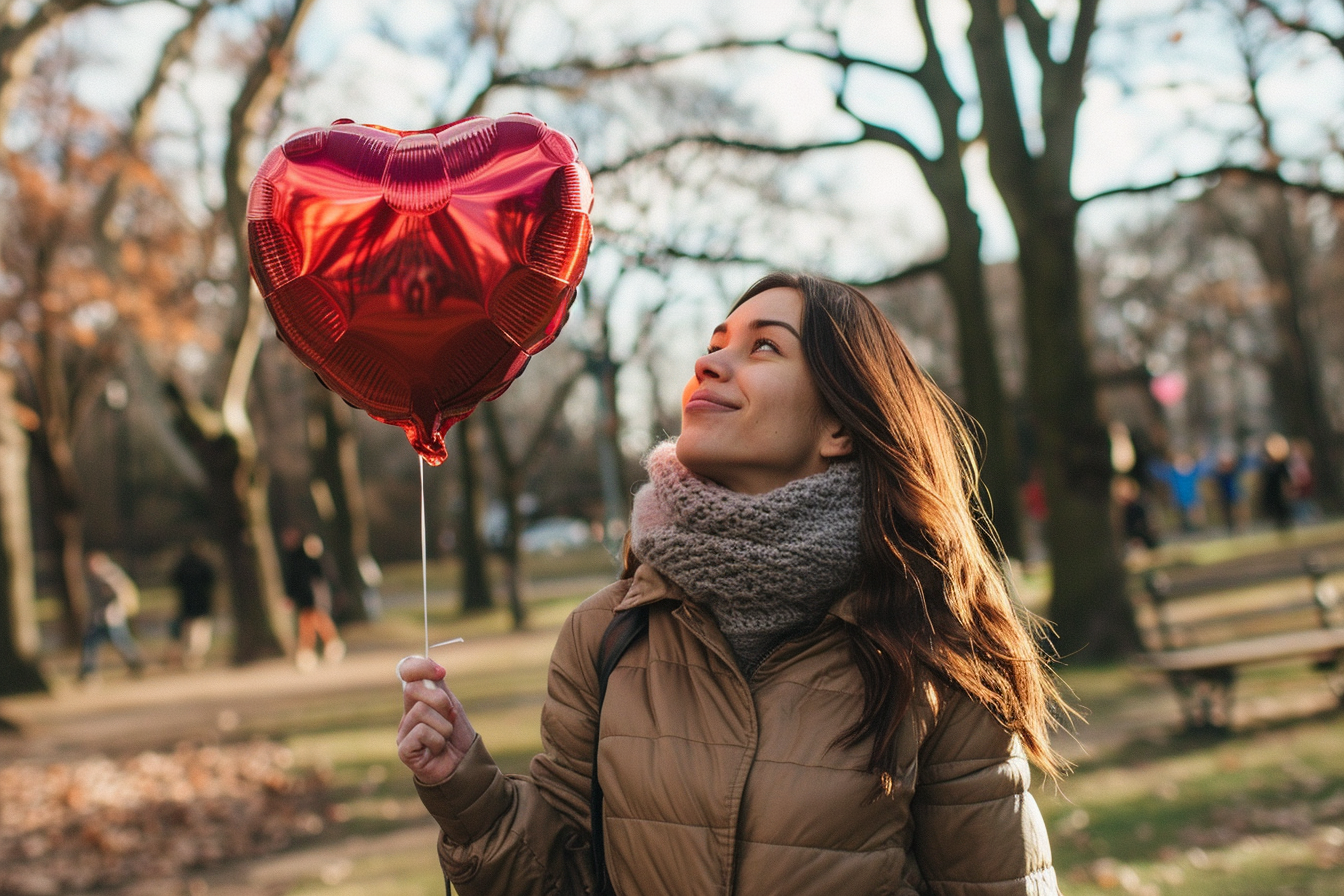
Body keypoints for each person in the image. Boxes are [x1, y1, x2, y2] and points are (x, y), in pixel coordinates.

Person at [397, 273, 1065, 896]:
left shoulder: (930, 651)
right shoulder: (604, 634)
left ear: (838, 426)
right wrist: (468, 791)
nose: (708, 363)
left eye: (763, 346)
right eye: (714, 344)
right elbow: (562, 876)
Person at [280, 527, 345, 671]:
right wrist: (290, 596)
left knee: (317, 619)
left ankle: (323, 648)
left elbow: (320, 573)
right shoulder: (290, 557)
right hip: (303, 597)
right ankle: (311, 651)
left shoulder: (307, 554)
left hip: (314, 595)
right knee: (308, 622)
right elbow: (292, 581)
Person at [78, 551, 145, 681]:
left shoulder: (107, 575)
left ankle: (136, 664)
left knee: (121, 642)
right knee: (91, 643)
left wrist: (106, 597)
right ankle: (88, 672)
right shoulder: (98, 576)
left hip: (112, 617)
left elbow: (114, 594)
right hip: (101, 617)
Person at [170, 541, 216, 670]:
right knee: (200, 630)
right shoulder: (204, 565)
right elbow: (212, 581)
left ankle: (191, 655)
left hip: (188, 603)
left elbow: (174, 579)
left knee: (189, 630)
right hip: (201, 603)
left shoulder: (183, 565)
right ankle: (195, 655)